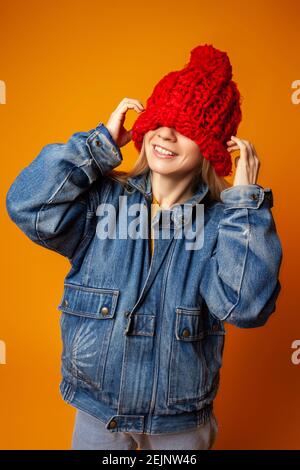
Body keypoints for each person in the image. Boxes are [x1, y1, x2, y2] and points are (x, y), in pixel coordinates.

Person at [5, 43, 283, 450]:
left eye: (185, 126)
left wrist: (246, 203)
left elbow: (246, 308)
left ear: (211, 146)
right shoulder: (102, 201)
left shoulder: (225, 222)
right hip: (99, 411)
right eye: (160, 119)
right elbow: (26, 205)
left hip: (180, 422)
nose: (166, 133)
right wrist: (97, 145)